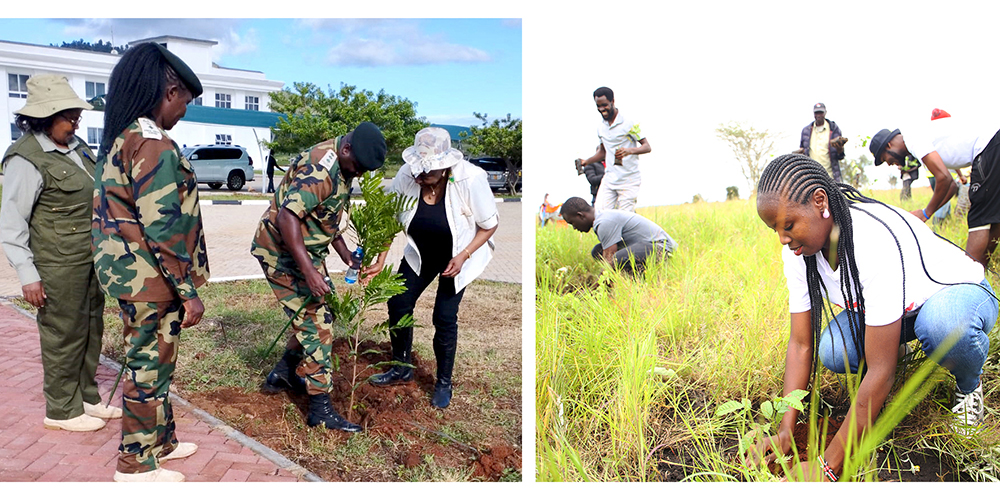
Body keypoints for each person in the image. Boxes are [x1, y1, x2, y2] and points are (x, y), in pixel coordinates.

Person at [750, 154, 997, 482]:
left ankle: (969, 387)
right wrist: (785, 428)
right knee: (833, 350)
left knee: (943, 326)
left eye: (789, 225)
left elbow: (881, 372)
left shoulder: (869, 240)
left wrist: (827, 467)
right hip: (898, 312)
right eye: (775, 229)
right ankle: (897, 345)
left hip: (955, 295)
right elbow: (800, 344)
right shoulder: (797, 253)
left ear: (819, 201)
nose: (782, 238)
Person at [92, 42, 209, 482]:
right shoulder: (153, 143)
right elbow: (163, 227)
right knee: (148, 367)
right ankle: (135, 466)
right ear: (169, 91)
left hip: (132, 275)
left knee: (157, 361)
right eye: (184, 102)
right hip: (151, 280)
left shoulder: (127, 136)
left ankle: (162, 442)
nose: (183, 113)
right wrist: (188, 291)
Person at [0, 74, 120, 433]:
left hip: (89, 258)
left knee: (90, 328)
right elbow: (11, 223)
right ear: (44, 116)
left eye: (76, 117)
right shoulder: (27, 158)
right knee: (62, 335)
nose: (75, 123)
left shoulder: (78, 147)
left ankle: (87, 397)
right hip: (56, 264)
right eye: (69, 117)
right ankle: (61, 410)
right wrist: (27, 274)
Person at [251, 122, 386, 431]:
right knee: (318, 324)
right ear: (346, 149)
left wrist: (345, 254)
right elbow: (288, 217)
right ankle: (320, 410)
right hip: (281, 253)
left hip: (304, 255)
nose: (360, 174)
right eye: (358, 168)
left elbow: (327, 217)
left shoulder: (345, 165)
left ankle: (284, 372)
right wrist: (310, 272)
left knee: (320, 311)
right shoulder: (321, 170)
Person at [365, 127, 499, 409]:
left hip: (458, 255)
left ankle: (443, 382)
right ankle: (401, 367)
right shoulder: (407, 175)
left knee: (444, 317)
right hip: (420, 254)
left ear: (445, 168)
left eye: (426, 173)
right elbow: (391, 218)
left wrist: (463, 256)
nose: (419, 177)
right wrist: (379, 260)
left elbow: (489, 225)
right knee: (399, 302)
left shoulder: (470, 178)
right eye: (417, 170)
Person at [869, 118, 1000, 267]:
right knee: (995, 217)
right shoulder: (928, 142)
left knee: (979, 218)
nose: (890, 163)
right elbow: (950, 187)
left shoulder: (912, 139)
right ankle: (981, 270)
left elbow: (944, 179)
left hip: (988, 146)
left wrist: (925, 213)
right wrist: (927, 213)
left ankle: (968, 277)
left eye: (885, 158)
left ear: (889, 145)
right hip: (993, 141)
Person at [559, 196, 678, 276]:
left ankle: (641, 279)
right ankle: (634, 277)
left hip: (662, 248)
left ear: (580, 215)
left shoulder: (604, 222)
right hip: (646, 246)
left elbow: (609, 263)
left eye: (572, 223)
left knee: (615, 259)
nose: (574, 228)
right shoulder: (601, 217)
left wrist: (592, 291)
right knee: (598, 251)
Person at [576, 87, 651, 212]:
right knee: (600, 214)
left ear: (613, 101)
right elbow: (603, 152)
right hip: (609, 179)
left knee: (623, 218)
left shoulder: (629, 123)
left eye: (604, 105)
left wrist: (629, 151)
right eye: (598, 106)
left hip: (629, 180)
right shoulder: (601, 128)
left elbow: (647, 147)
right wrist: (586, 162)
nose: (602, 109)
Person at [798, 103, 847, 183]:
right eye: (816, 113)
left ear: (825, 113)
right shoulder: (806, 131)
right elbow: (803, 151)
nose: (818, 115)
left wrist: (839, 148)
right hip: (811, 177)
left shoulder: (833, 129)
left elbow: (840, 155)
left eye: (821, 112)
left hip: (830, 176)